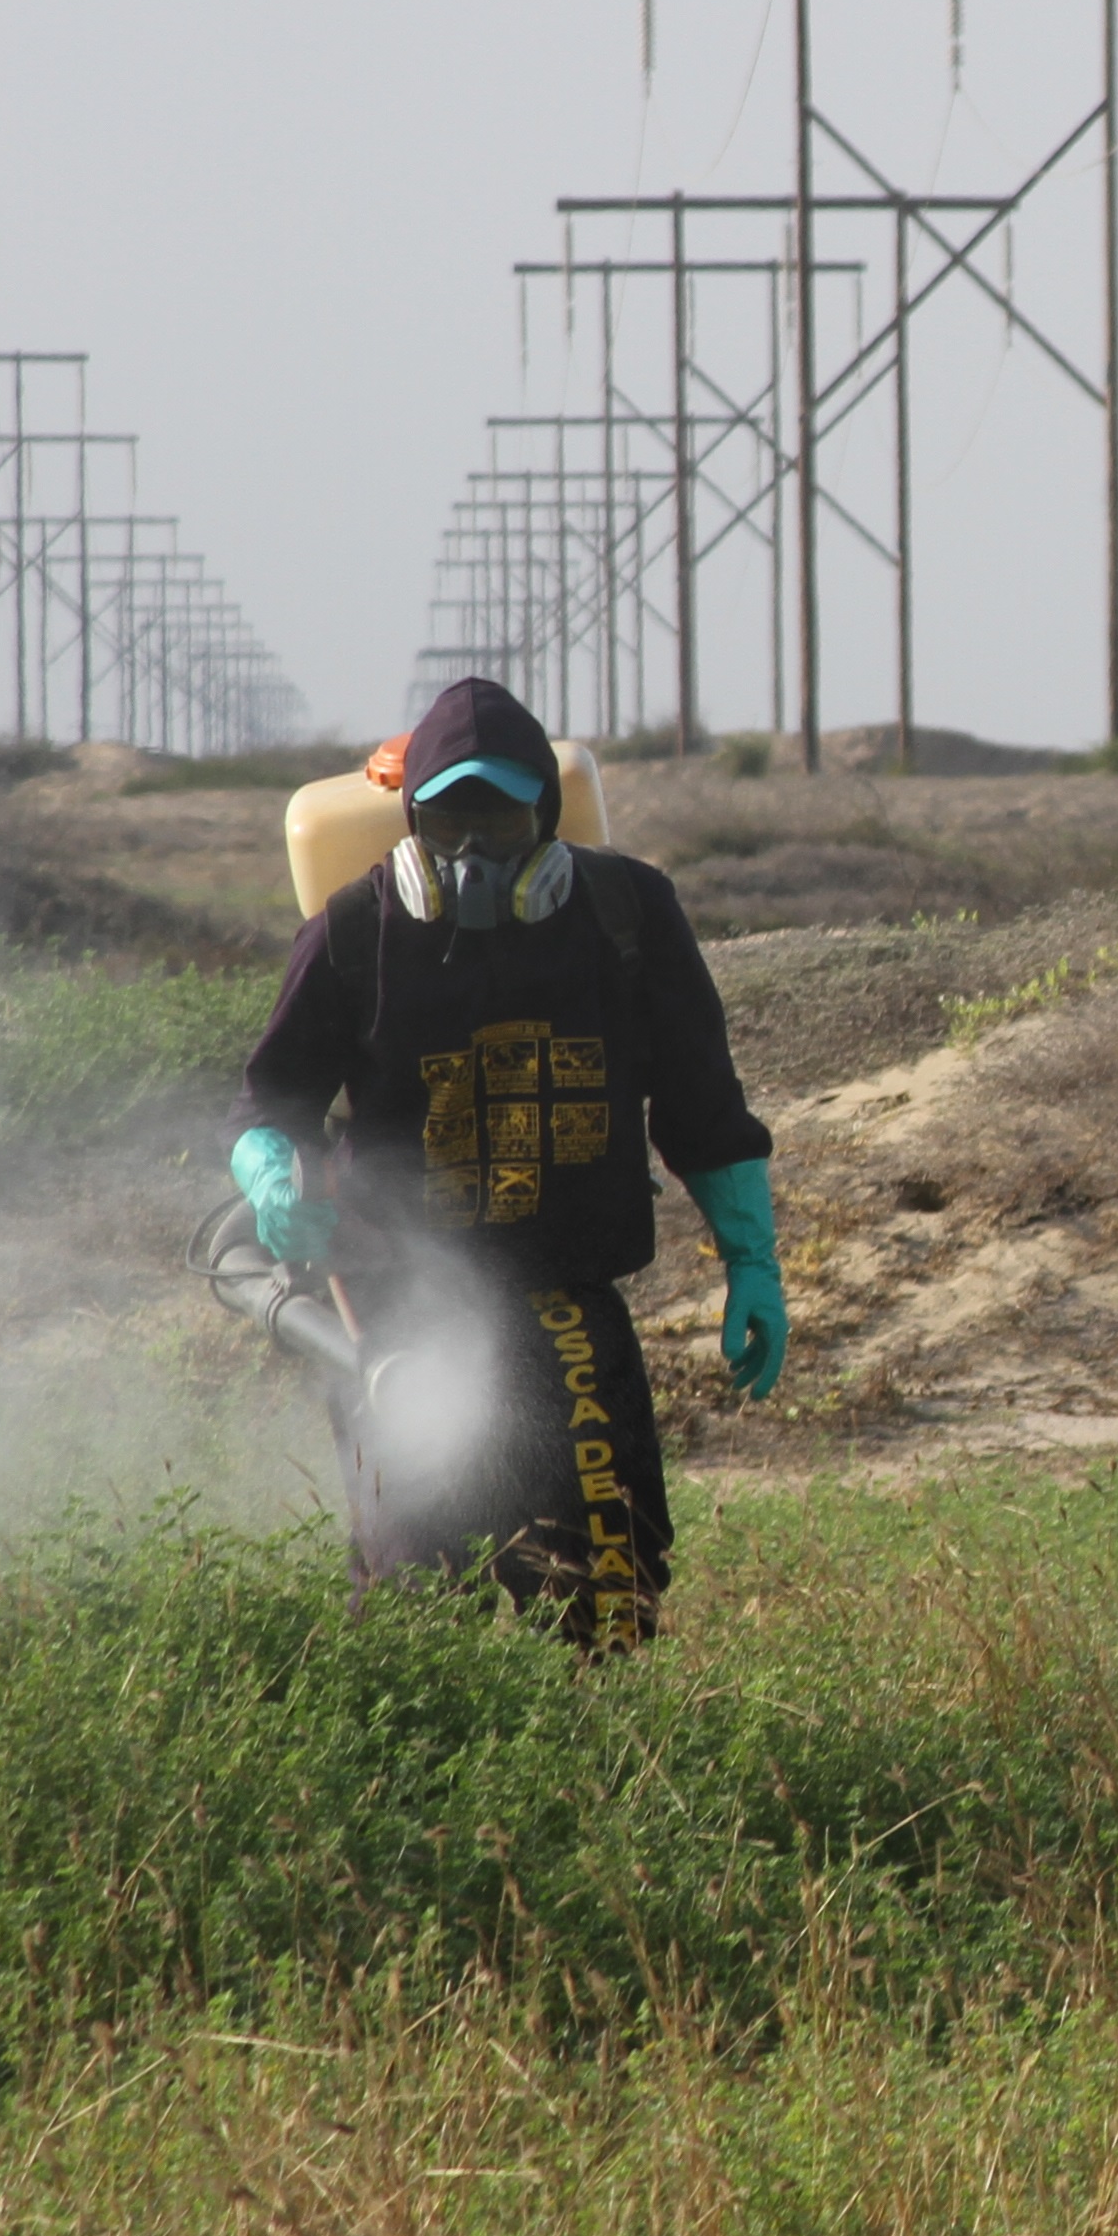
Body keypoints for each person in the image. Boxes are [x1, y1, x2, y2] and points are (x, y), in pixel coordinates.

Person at [228, 675, 784, 1641]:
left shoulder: (629, 916)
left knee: (609, 1580)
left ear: (549, 816)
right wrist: (273, 1181)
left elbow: (703, 1104)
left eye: (503, 818)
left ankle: (606, 1769)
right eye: (449, 824)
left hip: (566, 1293)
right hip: (400, 1303)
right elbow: (268, 1101)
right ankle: (422, 1774)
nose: (476, 850)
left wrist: (753, 1262)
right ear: (412, 822)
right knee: (414, 1588)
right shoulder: (355, 934)